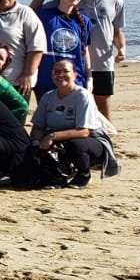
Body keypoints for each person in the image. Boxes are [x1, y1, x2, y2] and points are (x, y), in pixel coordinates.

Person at [33, 0, 124, 121]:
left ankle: (104, 137)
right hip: (68, 66)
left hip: (101, 62)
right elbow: (32, 12)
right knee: (59, 106)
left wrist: (122, 48)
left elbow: (116, 31)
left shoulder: (114, 1)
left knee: (100, 101)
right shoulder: (61, 3)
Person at [30, 60, 118, 188]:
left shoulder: (83, 96)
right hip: (57, 140)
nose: (60, 75)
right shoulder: (48, 97)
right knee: (31, 149)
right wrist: (35, 144)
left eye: (65, 71)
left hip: (89, 140)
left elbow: (84, 131)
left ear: (75, 75)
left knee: (75, 145)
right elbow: (38, 127)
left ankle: (84, 174)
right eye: (57, 72)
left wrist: (52, 136)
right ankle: (58, 175)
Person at [32, 0, 92, 101]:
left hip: (74, 78)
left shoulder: (84, 21)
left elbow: (85, 51)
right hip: (47, 77)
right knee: (49, 117)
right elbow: (30, 11)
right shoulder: (45, 16)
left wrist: (89, 76)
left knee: (72, 117)